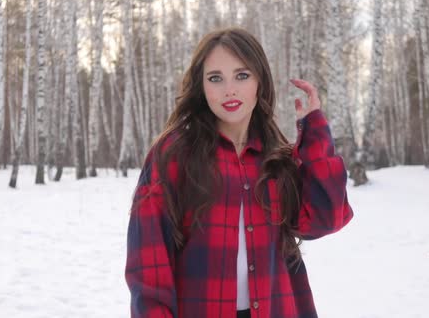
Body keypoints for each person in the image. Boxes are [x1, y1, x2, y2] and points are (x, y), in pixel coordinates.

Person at [125, 27, 353, 318]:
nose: (229, 90)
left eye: (242, 76)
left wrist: (315, 133)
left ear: (260, 80)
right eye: (215, 78)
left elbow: (326, 219)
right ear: (202, 86)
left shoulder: (276, 156)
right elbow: (148, 265)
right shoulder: (173, 155)